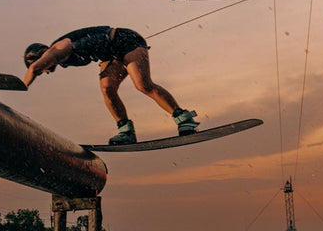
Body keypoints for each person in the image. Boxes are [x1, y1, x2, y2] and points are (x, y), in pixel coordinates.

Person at [22, 26, 199, 145]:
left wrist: (22, 85)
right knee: (107, 89)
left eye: (42, 67)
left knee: (142, 85)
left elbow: (34, 68)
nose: (45, 72)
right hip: (110, 55)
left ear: (40, 56)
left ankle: (184, 118)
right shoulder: (59, 58)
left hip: (125, 40)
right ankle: (126, 132)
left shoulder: (56, 50)